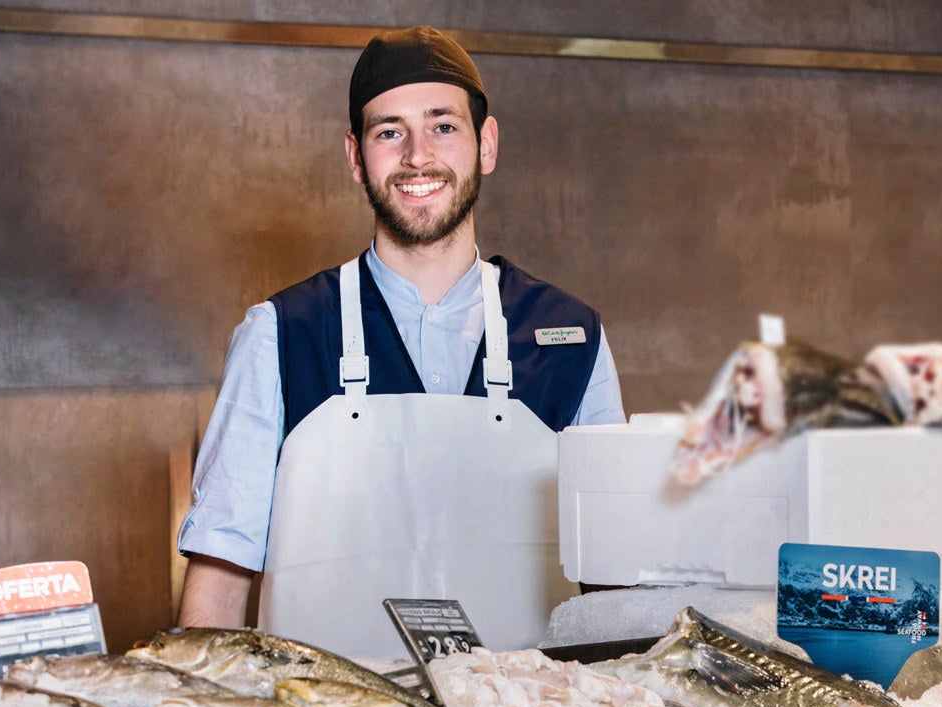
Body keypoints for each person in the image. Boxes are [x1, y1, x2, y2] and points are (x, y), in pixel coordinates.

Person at [176, 25, 624, 655]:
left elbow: (613, 574)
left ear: (486, 144)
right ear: (355, 157)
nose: (418, 156)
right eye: (389, 132)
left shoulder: (572, 339)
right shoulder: (280, 333)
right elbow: (222, 571)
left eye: (443, 126)